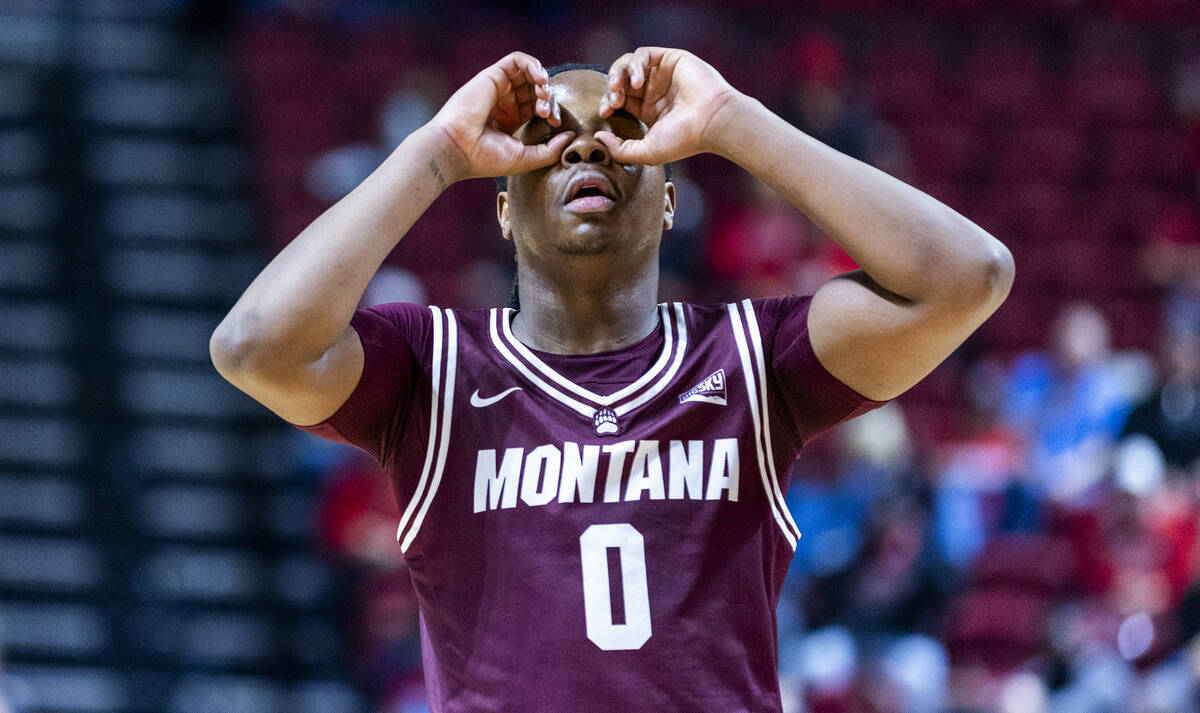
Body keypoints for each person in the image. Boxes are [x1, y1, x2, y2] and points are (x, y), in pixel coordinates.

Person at [210, 48, 1014, 712]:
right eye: (551, 137)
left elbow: (969, 275)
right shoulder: (435, 367)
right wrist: (437, 150)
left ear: (668, 202)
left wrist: (732, 121)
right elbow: (253, 346)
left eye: (623, 133)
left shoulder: (751, 357)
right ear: (501, 210)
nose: (587, 147)